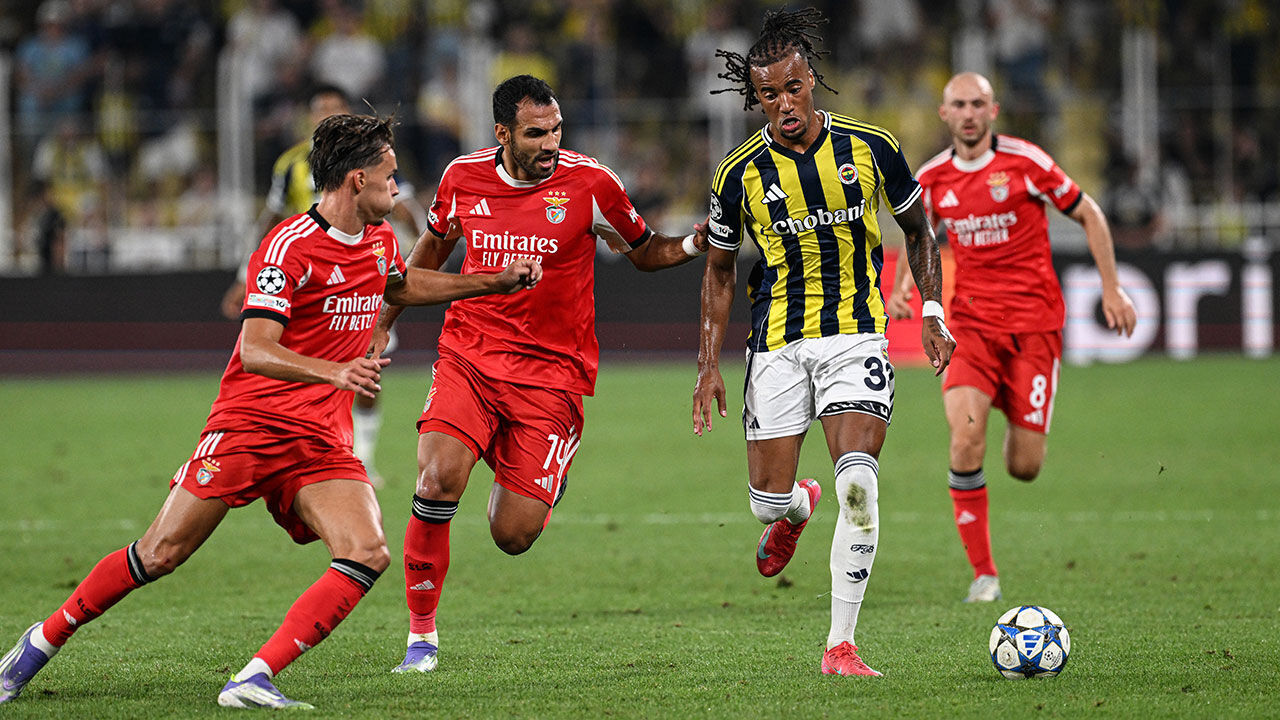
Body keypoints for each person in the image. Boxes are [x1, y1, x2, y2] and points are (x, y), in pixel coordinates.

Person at [0, 113, 541, 710]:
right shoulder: (288, 248)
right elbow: (255, 350)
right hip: (248, 427)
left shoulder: (381, 239)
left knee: (367, 551)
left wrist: (490, 283)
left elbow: (401, 286)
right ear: (358, 180)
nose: (399, 188)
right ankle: (39, 642)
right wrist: (337, 371)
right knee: (161, 553)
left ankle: (254, 677)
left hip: (318, 440)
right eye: (391, 177)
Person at [371, 74, 709, 674]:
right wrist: (382, 324)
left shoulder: (591, 183)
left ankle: (540, 474)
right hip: (470, 353)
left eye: (557, 129)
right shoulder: (461, 177)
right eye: (535, 133)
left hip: (552, 374)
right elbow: (428, 253)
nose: (550, 142)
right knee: (437, 480)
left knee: (513, 535)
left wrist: (689, 245)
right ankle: (421, 639)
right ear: (503, 133)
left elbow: (643, 249)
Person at [692, 8, 955, 678]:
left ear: (814, 80)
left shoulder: (873, 148)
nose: (783, 104)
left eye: (794, 87)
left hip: (857, 338)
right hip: (777, 344)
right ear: (755, 98)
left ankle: (841, 645)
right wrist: (707, 365)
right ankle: (796, 508)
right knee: (766, 501)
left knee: (861, 489)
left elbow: (920, 234)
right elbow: (719, 274)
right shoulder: (736, 174)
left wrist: (930, 309)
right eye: (768, 94)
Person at [886, 71, 1137, 603]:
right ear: (944, 113)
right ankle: (984, 575)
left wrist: (1112, 290)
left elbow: (1089, 213)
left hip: (1034, 331)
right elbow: (919, 236)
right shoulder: (931, 179)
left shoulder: (1026, 163)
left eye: (979, 103)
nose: (970, 113)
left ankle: (1013, 405)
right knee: (964, 438)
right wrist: (907, 286)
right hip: (972, 330)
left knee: (1024, 468)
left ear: (993, 111)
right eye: (960, 104)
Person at [221, 83, 425, 486]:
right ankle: (288, 440)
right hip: (307, 279)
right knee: (301, 358)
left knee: (366, 369)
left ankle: (360, 455)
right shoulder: (291, 165)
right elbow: (272, 220)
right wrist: (246, 275)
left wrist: (422, 249)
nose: (325, 116)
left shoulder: (373, 164)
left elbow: (406, 211)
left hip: (360, 274)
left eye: (334, 108)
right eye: (320, 109)